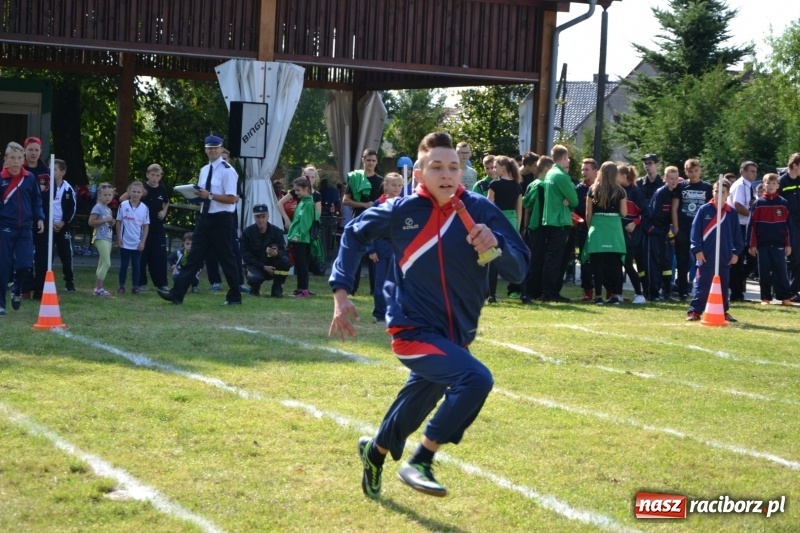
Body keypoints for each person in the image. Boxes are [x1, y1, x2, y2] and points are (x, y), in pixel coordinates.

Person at [329, 132, 529, 499]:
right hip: (412, 330)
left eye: (454, 166)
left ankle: (374, 453)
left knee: (417, 401)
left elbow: (519, 270)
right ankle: (421, 459)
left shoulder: (481, 211)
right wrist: (340, 292)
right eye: (436, 167)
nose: (447, 173)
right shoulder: (400, 211)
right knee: (476, 379)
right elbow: (353, 235)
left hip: (457, 336)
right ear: (419, 174)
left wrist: (495, 245)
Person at [158, 135, 242, 306]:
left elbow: (232, 199)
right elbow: (203, 195)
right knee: (193, 257)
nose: (212, 151)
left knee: (226, 258)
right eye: (209, 148)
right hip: (205, 218)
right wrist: (194, 195)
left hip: (222, 220)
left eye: (215, 148)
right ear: (205, 149)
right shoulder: (204, 170)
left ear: (221, 149)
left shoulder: (228, 170)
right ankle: (177, 294)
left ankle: (235, 296)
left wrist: (209, 195)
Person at [686, 178, 742, 322]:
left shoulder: (732, 213)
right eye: (716, 191)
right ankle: (695, 311)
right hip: (706, 255)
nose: (718, 195)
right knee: (702, 284)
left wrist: (736, 252)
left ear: (728, 194)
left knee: (723, 285)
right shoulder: (704, 209)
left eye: (722, 192)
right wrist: (697, 250)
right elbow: (695, 232)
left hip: (724, 256)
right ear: (712, 192)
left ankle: (722, 311)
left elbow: (737, 236)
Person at [0, 142, 44, 316]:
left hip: (25, 228)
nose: (16, 162)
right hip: (5, 228)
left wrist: (40, 218)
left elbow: (36, 201)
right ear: (6, 159)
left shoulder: (29, 178)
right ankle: (1, 303)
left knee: (25, 264)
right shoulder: (1, 179)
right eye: (12, 158)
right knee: (3, 266)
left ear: (23, 159)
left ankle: (17, 289)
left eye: (19, 158)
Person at [119, 163, 169, 292]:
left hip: (157, 227)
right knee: (142, 257)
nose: (154, 178)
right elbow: (122, 198)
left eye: (157, 175)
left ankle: (161, 283)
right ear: (147, 174)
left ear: (160, 177)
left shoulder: (162, 189)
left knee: (159, 256)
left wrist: (164, 211)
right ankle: (140, 283)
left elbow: (166, 202)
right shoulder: (140, 188)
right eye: (152, 175)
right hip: (140, 228)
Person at [746, 173, 793, 305]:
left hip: (779, 244)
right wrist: (752, 244)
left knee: (781, 272)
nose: (771, 186)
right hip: (763, 245)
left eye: (774, 183)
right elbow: (752, 226)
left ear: (778, 186)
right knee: (764, 272)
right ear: (764, 185)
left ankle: (785, 297)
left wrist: (788, 244)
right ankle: (765, 298)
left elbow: (788, 227)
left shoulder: (783, 203)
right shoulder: (758, 204)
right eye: (768, 183)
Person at [584, 161, 627, 305]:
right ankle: (615, 295)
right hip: (614, 229)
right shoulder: (620, 191)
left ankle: (598, 296)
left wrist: (591, 227)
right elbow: (624, 212)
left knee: (597, 265)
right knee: (615, 264)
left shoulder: (592, 189)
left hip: (598, 228)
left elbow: (588, 214)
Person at [540, 144, 578, 302]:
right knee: (555, 259)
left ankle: (547, 291)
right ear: (563, 158)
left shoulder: (550, 173)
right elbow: (575, 200)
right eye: (567, 157)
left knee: (550, 257)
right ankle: (551, 292)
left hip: (549, 219)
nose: (568, 160)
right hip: (559, 221)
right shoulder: (561, 176)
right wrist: (568, 200)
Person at [671, 158, 713, 301]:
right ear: (686, 172)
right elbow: (674, 208)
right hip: (683, 229)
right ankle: (682, 291)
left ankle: (702, 291)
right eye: (690, 171)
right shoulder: (681, 187)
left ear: (700, 170)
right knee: (682, 263)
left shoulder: (707, 188)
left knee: (702, 261)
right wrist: (676, 228)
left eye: (696, 171)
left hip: (701, 231)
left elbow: (711, 210)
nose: (693, 174)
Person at [343, 149, 383, 296]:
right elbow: (345, 200)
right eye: (368, 160)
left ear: (376, 162)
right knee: (356, 256)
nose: (371, 163)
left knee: (375, 256)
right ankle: (352, 288)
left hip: (375, 222)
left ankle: (375, 289)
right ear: (363, 160)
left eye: (373, 160)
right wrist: (363, 204)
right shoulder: (355, 178)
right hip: (358, 220)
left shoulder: (380, 181)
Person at [486, 155, 523, 303]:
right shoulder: (517, 186)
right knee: (514, 257)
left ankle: (492, 295)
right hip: (512, 221)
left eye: (496, 166)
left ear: (503, 167)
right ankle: (524, 294)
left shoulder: (494, 184)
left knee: (493, 257)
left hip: (498, 221)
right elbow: (519, 209)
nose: (494, 169)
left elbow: (488, 205)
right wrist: (518, 228)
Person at [367, 173, 403, 321]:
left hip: (398, 251)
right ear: (386, 186)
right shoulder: (378, 204)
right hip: (381, 250)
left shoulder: (404, 204)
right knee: (381, 283)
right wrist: (371, 249)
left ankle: (395, 313)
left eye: (399, 185)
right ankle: (380, 314)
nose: (397, 188)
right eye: (394, 185)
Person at [644, 166, 680, 302]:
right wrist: (659, 231)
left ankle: (667, 292)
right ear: (665, 179)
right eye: (671, 178)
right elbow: (654, 215)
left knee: (667, 264)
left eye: (676, 178)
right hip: (654, 233)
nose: (674, 181)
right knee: (654, 263)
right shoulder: (661, 193)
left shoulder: (674, 193)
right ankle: (652, 293)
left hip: (665, 233)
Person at [23, 136, 52, 299]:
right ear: (25, 150)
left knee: (42, 254)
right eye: (30, 149)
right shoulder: (20, 171)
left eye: (36, 150)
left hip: (44, 219)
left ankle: (40, 288)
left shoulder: (46, 172)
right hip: (24, 219)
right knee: (25, 254)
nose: (33, 153)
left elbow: (49, 197)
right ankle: (25, 287)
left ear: (41, 151)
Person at [241, 204, 291, 298]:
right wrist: (263, 267)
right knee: (254, 278)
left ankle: (277, 289)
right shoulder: (247, 232)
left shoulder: (276, 232)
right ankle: (254, 289)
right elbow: (246, 255)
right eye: (258, 217)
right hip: (256, 266)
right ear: (254, 217)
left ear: (268, 217)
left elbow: (284, 251)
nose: (261, 220)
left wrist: (277, 253)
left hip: (273, 266)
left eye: (263, 216)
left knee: (285, 261)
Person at [727, 161, 758, 302]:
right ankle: (736, 292)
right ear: (743, 171)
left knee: (751, 260)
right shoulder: (740, 185)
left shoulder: (749, 185)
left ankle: (736, 285)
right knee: (739, 260)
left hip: (745, 225)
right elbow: (738, 205)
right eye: (751, 171)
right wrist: (752, 217)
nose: (754, 174)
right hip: (739, 226)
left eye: (755, 171)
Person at [618, 163, 647, 303]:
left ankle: (639, 294)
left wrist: (634, 223)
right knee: (618, 263)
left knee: (628, 264)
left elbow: (646, 212)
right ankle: (617, 294)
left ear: (624, 176)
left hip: (631, 234)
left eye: (616, 175)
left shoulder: (635, 191)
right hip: (618, 232)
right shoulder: (617, 190)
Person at [115, 181, 149, 295]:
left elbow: (145, 226)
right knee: (124, 265)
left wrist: (143, 241)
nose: (135, 194)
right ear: (129, 192)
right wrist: (119, 237)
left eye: (138, 192)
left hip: (137, 242)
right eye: (133, 191)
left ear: (142, 193)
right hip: (125, 241)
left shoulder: (144, 208)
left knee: (136, 265)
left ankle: (135, 286)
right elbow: (118, 222)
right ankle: (121, 286)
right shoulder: (123, 205)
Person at [48, 159, 77, 292]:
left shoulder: (68, 189)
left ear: (62, 172)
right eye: (50, 169)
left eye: (54, 169)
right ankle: (43, 282)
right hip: (47, 226)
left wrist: (63, 222)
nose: (51, 171)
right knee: (46, 254)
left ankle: (69, 282)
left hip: (62, 226)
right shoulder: (45, 186)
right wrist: (49, 222)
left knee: (66, 254)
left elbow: (72, 208)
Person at [287, 177, 318, 298]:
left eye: (298, 190)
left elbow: (305, 223)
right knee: (300, 264)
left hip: (302, 239)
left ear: (306, 189)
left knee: (302, 264)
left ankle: (303, 289)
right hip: (298, 238)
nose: (296, 193)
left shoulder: (309, 203)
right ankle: (300, 288)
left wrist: (297, 235)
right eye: (295, 190)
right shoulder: (303, 202)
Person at [777, 153, 800, 302]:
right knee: (794, 259)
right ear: (795, 165)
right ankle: (788, 291)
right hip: (788, 226)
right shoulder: (782, 182)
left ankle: (793, 290)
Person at [88, 183, 116, 297]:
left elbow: (106, 221)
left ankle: (98, 288)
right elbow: (91, 222)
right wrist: (105, 220)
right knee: (107, 263)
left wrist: (111, 222)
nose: (108, 197)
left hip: (107, 237)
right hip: (100, 237)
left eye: (110, 195)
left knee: (102, 263)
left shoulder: (108, 209)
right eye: (105, 195)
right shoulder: (97, 207)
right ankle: (99, 288)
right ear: (99, 195)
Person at [575, 158, 597, 301]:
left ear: (595, 170)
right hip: (584, 229)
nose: (583, 172)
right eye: (582, 169)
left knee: (604, 260)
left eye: (586, 169)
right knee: (586, 260)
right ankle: (588, 291)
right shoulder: (579, 188)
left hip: (601, 228)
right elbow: (576, 208)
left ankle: (609, 291)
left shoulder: (602, 187)